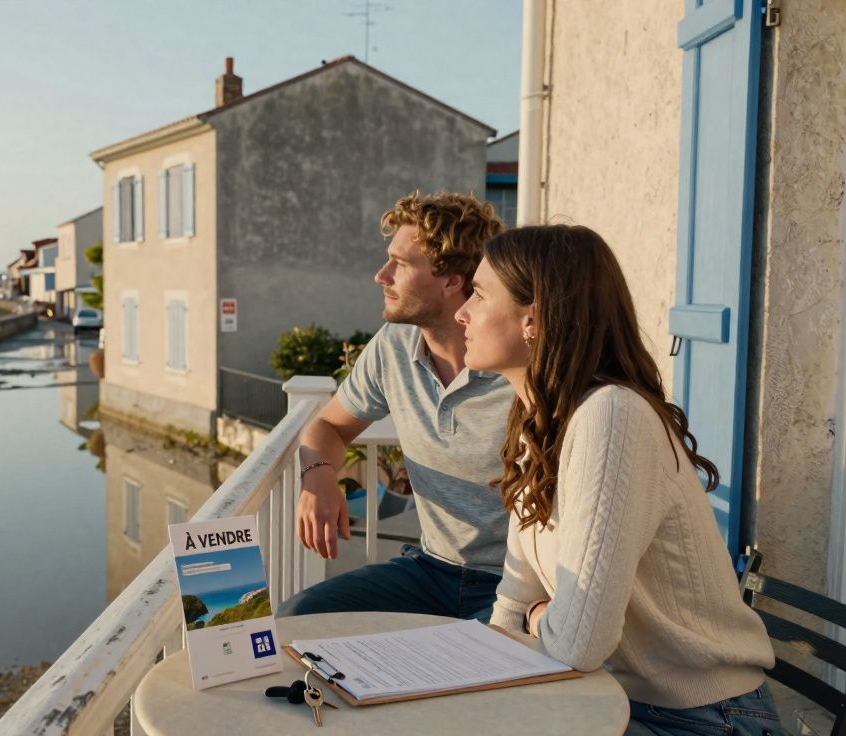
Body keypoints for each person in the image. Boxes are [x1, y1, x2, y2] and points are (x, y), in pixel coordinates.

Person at [455, 224, 779, 735]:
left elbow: (579, 644)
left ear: (532, 319)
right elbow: (517, 597)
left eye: (477, 293)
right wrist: (490, 676)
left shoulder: (612, 418)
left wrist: (541, 618)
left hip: (703, 719)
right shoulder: (539, 425)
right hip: (616, 698)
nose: (461, 312)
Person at [278, 191, 514, 623]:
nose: (380, 275)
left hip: (512, 585)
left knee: (456, 672)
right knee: (299, 616)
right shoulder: (394, 346)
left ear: (451, 281)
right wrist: (319, 477)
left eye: (400, 264)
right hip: (430, 570)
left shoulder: (515, 362)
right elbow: (329, 425)